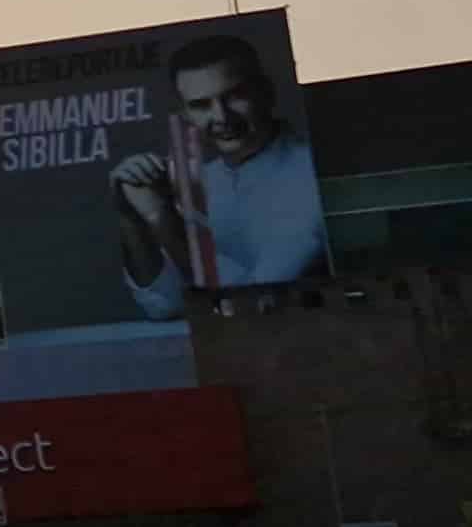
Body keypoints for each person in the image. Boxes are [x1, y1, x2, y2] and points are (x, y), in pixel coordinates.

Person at [112, 33, 332, 316]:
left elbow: (247, 303)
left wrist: (164, 221)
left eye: (235, 96)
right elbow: (163, 305)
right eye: (201, 105)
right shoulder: (198, 183)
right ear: (185, 113)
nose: (221, 117)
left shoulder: (315, 174)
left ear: (266, 93)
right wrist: (131, 220)